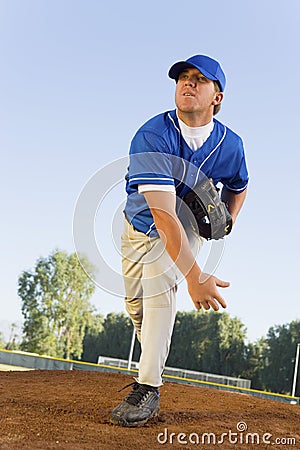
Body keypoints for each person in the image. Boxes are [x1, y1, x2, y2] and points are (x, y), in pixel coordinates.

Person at [110, 54, 249, 427]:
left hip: (185, 226)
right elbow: (161, 215)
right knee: (137, 308)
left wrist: (230, 218)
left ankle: (148, 386)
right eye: (183, 77)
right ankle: (153, 346)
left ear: (216, 97)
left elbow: (239, 185)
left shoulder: (231, 145)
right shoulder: (154, 134)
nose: (188, 83)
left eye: (200, 80)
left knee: (159, 289)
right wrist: (196, 278)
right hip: (140, 224)